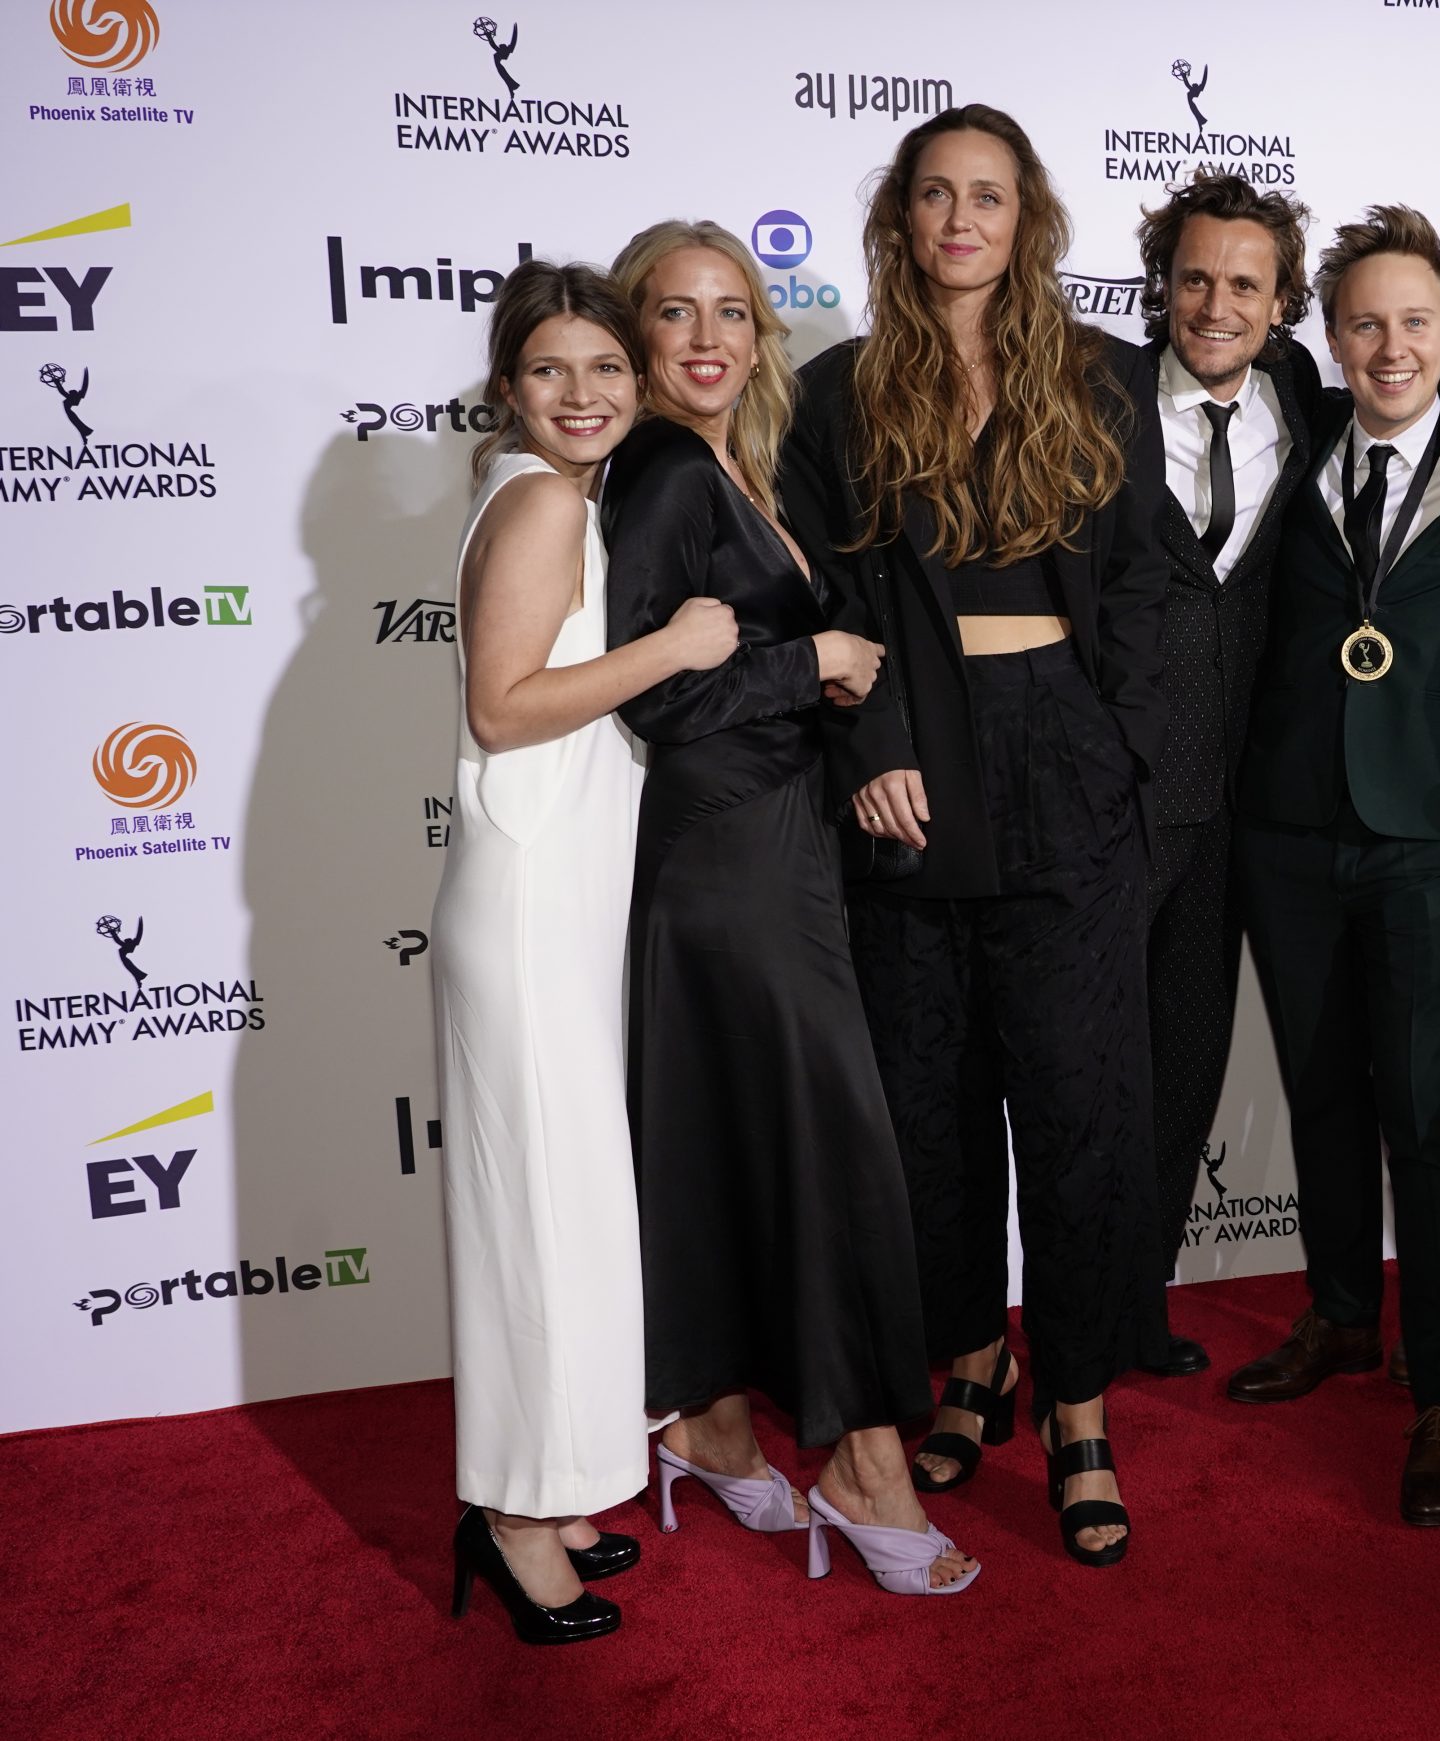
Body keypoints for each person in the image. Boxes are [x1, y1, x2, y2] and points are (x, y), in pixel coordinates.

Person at [776, 107, 1167, 1568]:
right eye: (936, 193)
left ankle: (1075, 1407)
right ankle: (967, 1359)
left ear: (1026, 219)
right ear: (902, 216)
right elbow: (808, 600)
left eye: (986, 196)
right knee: (927, 1113)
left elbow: (1143, 592)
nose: (960, 218)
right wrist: (866, 746)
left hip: (1066, 760)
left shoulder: (1104, 379)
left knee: (1077, 1110)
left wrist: (1120, 751)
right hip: (908, 765)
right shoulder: (835, 397)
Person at [603, 219, 976, 1595]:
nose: (708, 338)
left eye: (733, 313)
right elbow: (649, 688)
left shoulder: (723, 467)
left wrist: (813, 681)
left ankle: (705, 1421)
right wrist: (805, 658)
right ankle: (865, 1458)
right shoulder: (658, 473)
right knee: (834, 1147)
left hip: (771, 838)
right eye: (675, 313)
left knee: (731, 1140)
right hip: (728, 854)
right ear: (633, 334)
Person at [1225, 204, 1440, 1529]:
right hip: (1291, 826)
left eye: (1417, 321)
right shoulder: (1292, 432)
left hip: (1436, 837)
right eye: (1365, 321)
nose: (1392, 345)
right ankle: (1336, 1316)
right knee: (1321, 1090)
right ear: (1327, 333)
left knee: (1431, 1116)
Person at [438, 260, 733, 1645]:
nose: (582, 394)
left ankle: (547, 1494)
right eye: (551, 370)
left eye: (606, 368)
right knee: (533, 1225)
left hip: (560, 893)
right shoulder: (547, 498)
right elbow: (503, 708)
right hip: (525, 896)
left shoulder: (561, 492)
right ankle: (509, 1523)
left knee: (559, 1214)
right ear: (511, 387)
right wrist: (675, 645)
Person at [1123, 171, 1324, 1376]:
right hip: (1109, 797)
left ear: (1281, 301)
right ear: (1163, 283)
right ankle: (1034, 1311)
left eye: (1244, 283)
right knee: (1086, 1068)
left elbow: (1435, 382)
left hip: (1233, 801)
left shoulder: (1301, 394)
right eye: (1195, 277)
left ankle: (1133, 1302)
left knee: (1188, 1060)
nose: (1215, 303)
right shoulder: (1095, 395)